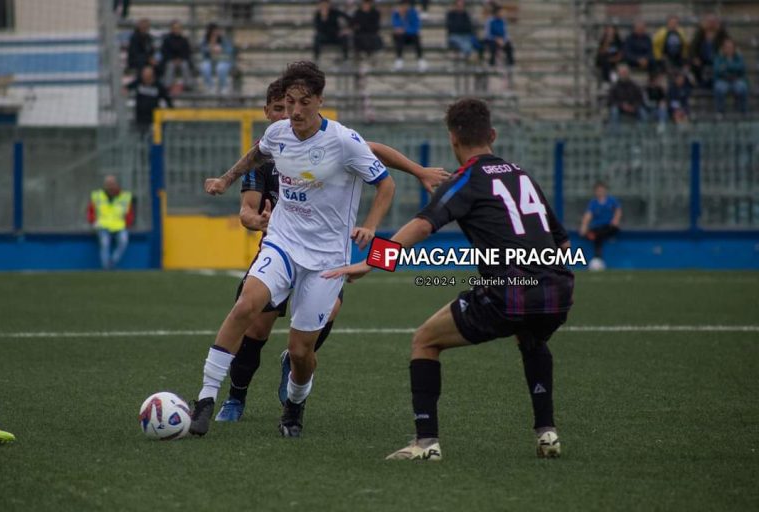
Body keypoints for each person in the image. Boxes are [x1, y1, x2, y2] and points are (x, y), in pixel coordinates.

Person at [324, 98, 574, 460]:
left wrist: (371, 262)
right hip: (557, 289)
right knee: (531, 335)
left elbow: (424, 225)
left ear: (452, 139)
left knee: (424, 340)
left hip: (510, 290)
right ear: (492, 134)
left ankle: (426, 443)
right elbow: (561, 240)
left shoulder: (466, 179)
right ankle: (547, 432)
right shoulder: (522, 175)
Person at [215, 78, 450, 422]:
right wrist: (258, 221)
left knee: (320, 324)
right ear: (267, 112)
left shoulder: (330, 143)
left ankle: (296, 367)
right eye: (281, 107)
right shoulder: (264, 158)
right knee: (256, 329)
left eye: (297, 104)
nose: (291, 112)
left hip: (325, 255)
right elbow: (246, 210)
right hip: (280, 251)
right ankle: (235, 398)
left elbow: (374, 152)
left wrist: (418, 172)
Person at [190, 61, 396, 438]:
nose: (296, 110)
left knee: (301, 352)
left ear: (320, 101)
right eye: (290, 101)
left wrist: (371, 227)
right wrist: (225, 178)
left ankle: (295, 406)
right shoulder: (278, 132)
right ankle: (205, 399)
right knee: (245, 306)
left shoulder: (343, 141)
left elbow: (386, 185)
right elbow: (258, 152)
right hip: (283, 241)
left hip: (326, 258)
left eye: (304, 102)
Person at [87, 175, 135, 270]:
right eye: (108, 184)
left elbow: (130, 212)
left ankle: (112, 261)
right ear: (105, 185)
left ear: (116, 184)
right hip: (103, 226)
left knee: (123, 241)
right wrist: (93, 222)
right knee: (105, 244)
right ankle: (106, 268)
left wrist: (128, 223)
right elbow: (90, 211)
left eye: (112, 184)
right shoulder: (97, 196)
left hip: (120, 226)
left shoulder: (125, 196)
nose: (110, 186)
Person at [579, 181, 621, 270]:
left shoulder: (611, 201)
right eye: (598, 190)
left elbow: (618, 211)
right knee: (593, 234)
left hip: (610, 227)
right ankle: (598, 260)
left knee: (597, 235)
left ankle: (597, 259)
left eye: (602, 190)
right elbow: (588, 216)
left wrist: (616, 220)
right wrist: (584, 226)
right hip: (598, 228)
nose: (600, 192)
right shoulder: (593, 203)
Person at [126, 65, 173, 134]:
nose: (144, 76)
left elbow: (167, 98)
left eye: (147, 74)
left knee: (155, 136)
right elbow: (127, 87)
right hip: (140, 116)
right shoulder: (138, 82)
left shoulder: (158, 85)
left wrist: (171, 110)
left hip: (153, 116)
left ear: (152, 75)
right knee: (141, 134)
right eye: (144, 74)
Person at [690, 14, 728, 88]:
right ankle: (700, 84)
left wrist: (720, 30)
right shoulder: (700, 33)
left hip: (717, 59)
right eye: (709, 22)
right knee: (694, 65)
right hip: (702, 60)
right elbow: (693, 46)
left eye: (713, 22)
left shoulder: (721, 33)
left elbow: (728, 43)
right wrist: (695, 57)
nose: (711, 24)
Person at [713, 38, 748, 116]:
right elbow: (717, 70)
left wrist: (727, 66)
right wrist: (731, 68)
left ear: (734, 48)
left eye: (730, 47)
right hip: (723, 80)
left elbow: (741, 67)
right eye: (726, 47)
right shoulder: (719, 57)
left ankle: (743, 112)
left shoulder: (738, 57)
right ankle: (720, 112)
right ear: (723, 48)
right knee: (719, 88)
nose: (729, 49)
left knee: (743, 87)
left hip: (736, 80)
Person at [392, 0, 426, 71]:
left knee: (416, 37)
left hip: (411, 36)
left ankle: (420, 59)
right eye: (402, 5)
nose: (404, 7)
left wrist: (405, 30)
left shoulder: (413, 12)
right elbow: (396, 26)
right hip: (401, 37)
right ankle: (399, 59)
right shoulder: (396, 14)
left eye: (406, 5)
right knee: (399, 36)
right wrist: (401, 17)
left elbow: (415, 27)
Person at [160, 20, 194, 93]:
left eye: (178, 28)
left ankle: (188, 85)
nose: (177, 30)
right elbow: (165, 52)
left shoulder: (184, 40)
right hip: (170, 60)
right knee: (170, 65)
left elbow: (187, 52)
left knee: (185, 65)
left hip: (181, 60)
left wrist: (180, 59)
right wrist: (173, 59)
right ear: (172, 29)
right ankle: (167, 86)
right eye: (175, 28)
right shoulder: (167, 40)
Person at [200, 23, 233, 94]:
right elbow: (202, 49)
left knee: (220, 68)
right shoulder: (205, 40)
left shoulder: (223, 39)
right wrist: (210, 48)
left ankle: (223, 86)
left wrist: (221, 49)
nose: (215, 33)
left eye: (216, 31)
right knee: (204, 67)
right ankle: (210, 86)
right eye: (213, 32)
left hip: (223, 60)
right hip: (209, 60)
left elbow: (230, 50)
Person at [484, 3, 514, 70]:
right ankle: (491, 63)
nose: (502, 13)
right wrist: (496, 39)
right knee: (493, 46)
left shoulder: (503, 21)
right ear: (496, 13)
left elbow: (506, 33)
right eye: (501, 12)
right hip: (492, 39)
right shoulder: (489, 21)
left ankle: (510, 64)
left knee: (509, 46)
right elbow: (487, 34)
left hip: (501, 39)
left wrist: (504, 40)